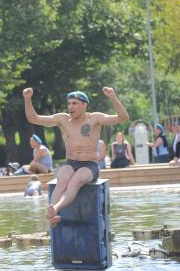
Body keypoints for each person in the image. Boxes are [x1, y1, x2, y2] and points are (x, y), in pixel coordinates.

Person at [23, 87, 129, 227]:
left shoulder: (94, 118)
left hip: (89, 166)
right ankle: (52, 216)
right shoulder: (62, 119)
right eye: (69, 103)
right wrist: (27, 99)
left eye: (74, 103)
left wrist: (112, 97)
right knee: (62, 180)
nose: (70, 106)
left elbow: (123, 118)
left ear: (84, 105)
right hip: (71, 163)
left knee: (74, 181)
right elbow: (33, 118)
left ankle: (55, 209)